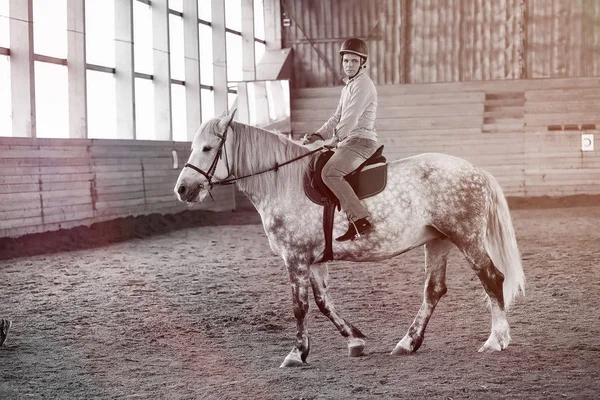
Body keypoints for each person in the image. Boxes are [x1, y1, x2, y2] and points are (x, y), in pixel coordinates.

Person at [303, 37, 379, 241]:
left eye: (354, 61)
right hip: (348, 141)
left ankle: (360, 219)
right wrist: (319, 134)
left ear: (362, 62)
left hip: (361, 141)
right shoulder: (348, 86)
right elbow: (336, 117)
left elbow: (351, 118)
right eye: (346, 61)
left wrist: (333, 140)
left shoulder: (363, 84)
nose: (349, 65)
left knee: (330, 173)